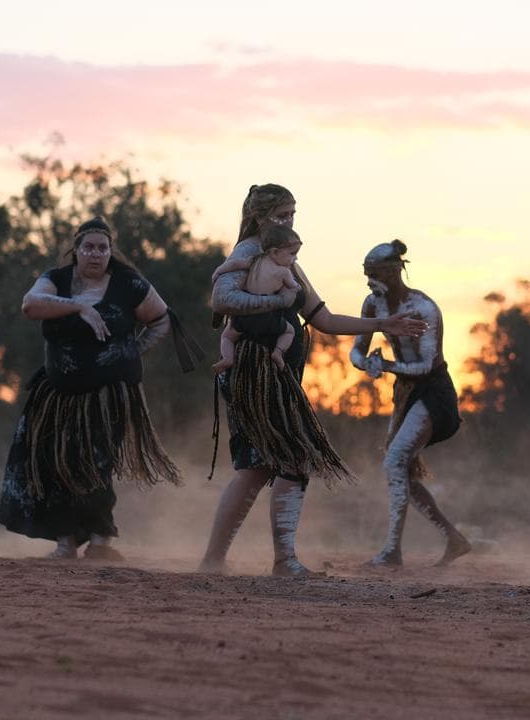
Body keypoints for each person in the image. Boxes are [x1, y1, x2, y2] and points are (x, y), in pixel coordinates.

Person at [198, 184, 426, 577]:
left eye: (292, 214)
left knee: (259, 466)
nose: (288, 222)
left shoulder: (286, 259)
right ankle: (281, 562)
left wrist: (381, 324)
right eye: (281, 215)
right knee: (289, 457)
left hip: (275, 375)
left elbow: (323, 318)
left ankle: (220, 561)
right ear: (258, 217)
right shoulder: (251, 251)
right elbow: (221, 300)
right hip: (256, 373)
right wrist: (276, 303)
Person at [0, 216, 186, 560]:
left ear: (111, 251)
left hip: (108, 394)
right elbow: (29, 305)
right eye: (89, 247)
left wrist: (130, 351)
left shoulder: (128, 284)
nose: (96, 254)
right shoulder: (55, 280)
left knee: (95, 463)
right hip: (58, 394)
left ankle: (100, 540)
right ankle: (65, 542)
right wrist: (79, 305)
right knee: (58, 463)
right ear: (76, 250)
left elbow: (161, 318)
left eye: (103, 247)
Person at [349, 240, 472, 568]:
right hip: (405, 393)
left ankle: (391, 552)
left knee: (394, 463)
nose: (369, 281)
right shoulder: (372, 305)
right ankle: (453, 538)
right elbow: (356, 351)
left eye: (374, 274)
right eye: (366, 275)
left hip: (433, 393)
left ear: (392, 273)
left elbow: (426, 366)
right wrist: (368, 364)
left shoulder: (423, 308)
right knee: (399, 467)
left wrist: (385, 366)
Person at [211, 225, 302, 372]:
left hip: (244, 317)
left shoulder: (253, 261)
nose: (294, 258)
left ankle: (227, 359)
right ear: (275, 252)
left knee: (227, 337)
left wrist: (217, 272)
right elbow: (294, 287)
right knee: (289, 331)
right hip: (266, 318)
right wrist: (295, 287)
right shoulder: (283, 272)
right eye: (292, 254)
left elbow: (233, 263)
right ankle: (278, 353)